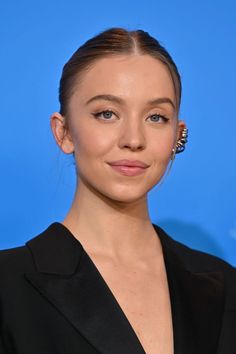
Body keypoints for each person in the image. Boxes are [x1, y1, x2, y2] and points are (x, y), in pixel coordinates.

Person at [0, 27, 235, 354]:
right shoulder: (8, 285)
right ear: (64, 132)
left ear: (177, 135)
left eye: (156, 117)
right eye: (107, 114)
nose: (134, 139)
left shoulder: (224, 285)